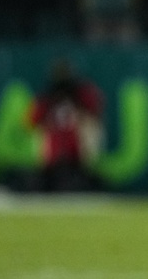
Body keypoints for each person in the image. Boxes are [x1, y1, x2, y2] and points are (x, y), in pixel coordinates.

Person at [26, 59, 105, 191]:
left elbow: (95, 112)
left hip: (76, 157)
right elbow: (30, 122)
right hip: (54, 159)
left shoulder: (80, 95)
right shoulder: (48, 98)